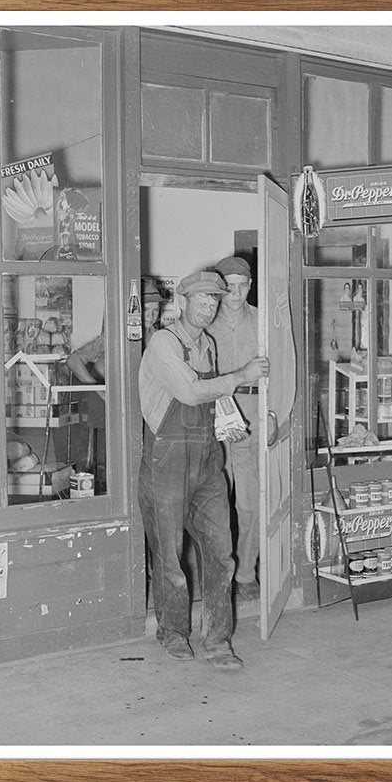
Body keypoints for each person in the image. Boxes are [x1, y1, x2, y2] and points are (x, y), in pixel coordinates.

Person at [137, 269, 269, 670]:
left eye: (215, 299)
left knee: (220, 551)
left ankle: (217, 639)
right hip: (167, 461)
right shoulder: (164, 343)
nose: (209, 306)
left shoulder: (207, 344)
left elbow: (210, 400)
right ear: (183, 300)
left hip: (208, 457)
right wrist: (240, 378)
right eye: (202, 299)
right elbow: (190, 391)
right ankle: (173, 631)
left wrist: (228, 418)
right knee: (170, 553)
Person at [208, 255, 260, 603]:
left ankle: (246, 573)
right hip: (215, 416)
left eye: (243, 286)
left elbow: (282, 368)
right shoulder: (205, 323)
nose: (237, 294)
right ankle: (218, 572)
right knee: (213, 502)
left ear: (250, 286)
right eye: (230, 287)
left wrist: (274, 416)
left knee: (250, 502)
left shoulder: (262, 320)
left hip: (254, 412)